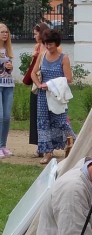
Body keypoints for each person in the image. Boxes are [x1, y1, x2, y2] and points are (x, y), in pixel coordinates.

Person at [31, 29, 75, 164]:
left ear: (57, 44)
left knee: (61, 122)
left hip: (57, 95)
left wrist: (50, 84)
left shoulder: (64, 58)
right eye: (46, 44)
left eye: (51, 44)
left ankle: (74, 144)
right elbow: (33, 73)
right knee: (43, 123)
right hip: (43, 96)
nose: (49, 47)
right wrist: (39, 85)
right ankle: (47, 152)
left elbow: (69, 78)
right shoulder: (42, 56)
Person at [28, 23, 50, 157]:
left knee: (48, 116)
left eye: (36, 33)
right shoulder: (37, 47)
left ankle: (48, 146)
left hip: (48, 84)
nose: (34, 36)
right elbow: (32, 69)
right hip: (37, 85)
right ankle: (39, 146)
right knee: (36, 115)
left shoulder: (50, 48)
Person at [0, 23, 14, 158]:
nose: (5, 34)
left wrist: (10, 67)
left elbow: (8, 70)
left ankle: (3, 145)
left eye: (7, 32)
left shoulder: (8, 49)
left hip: (8, 84)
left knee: (6, 117)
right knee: (0, 116)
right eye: (2, 32)